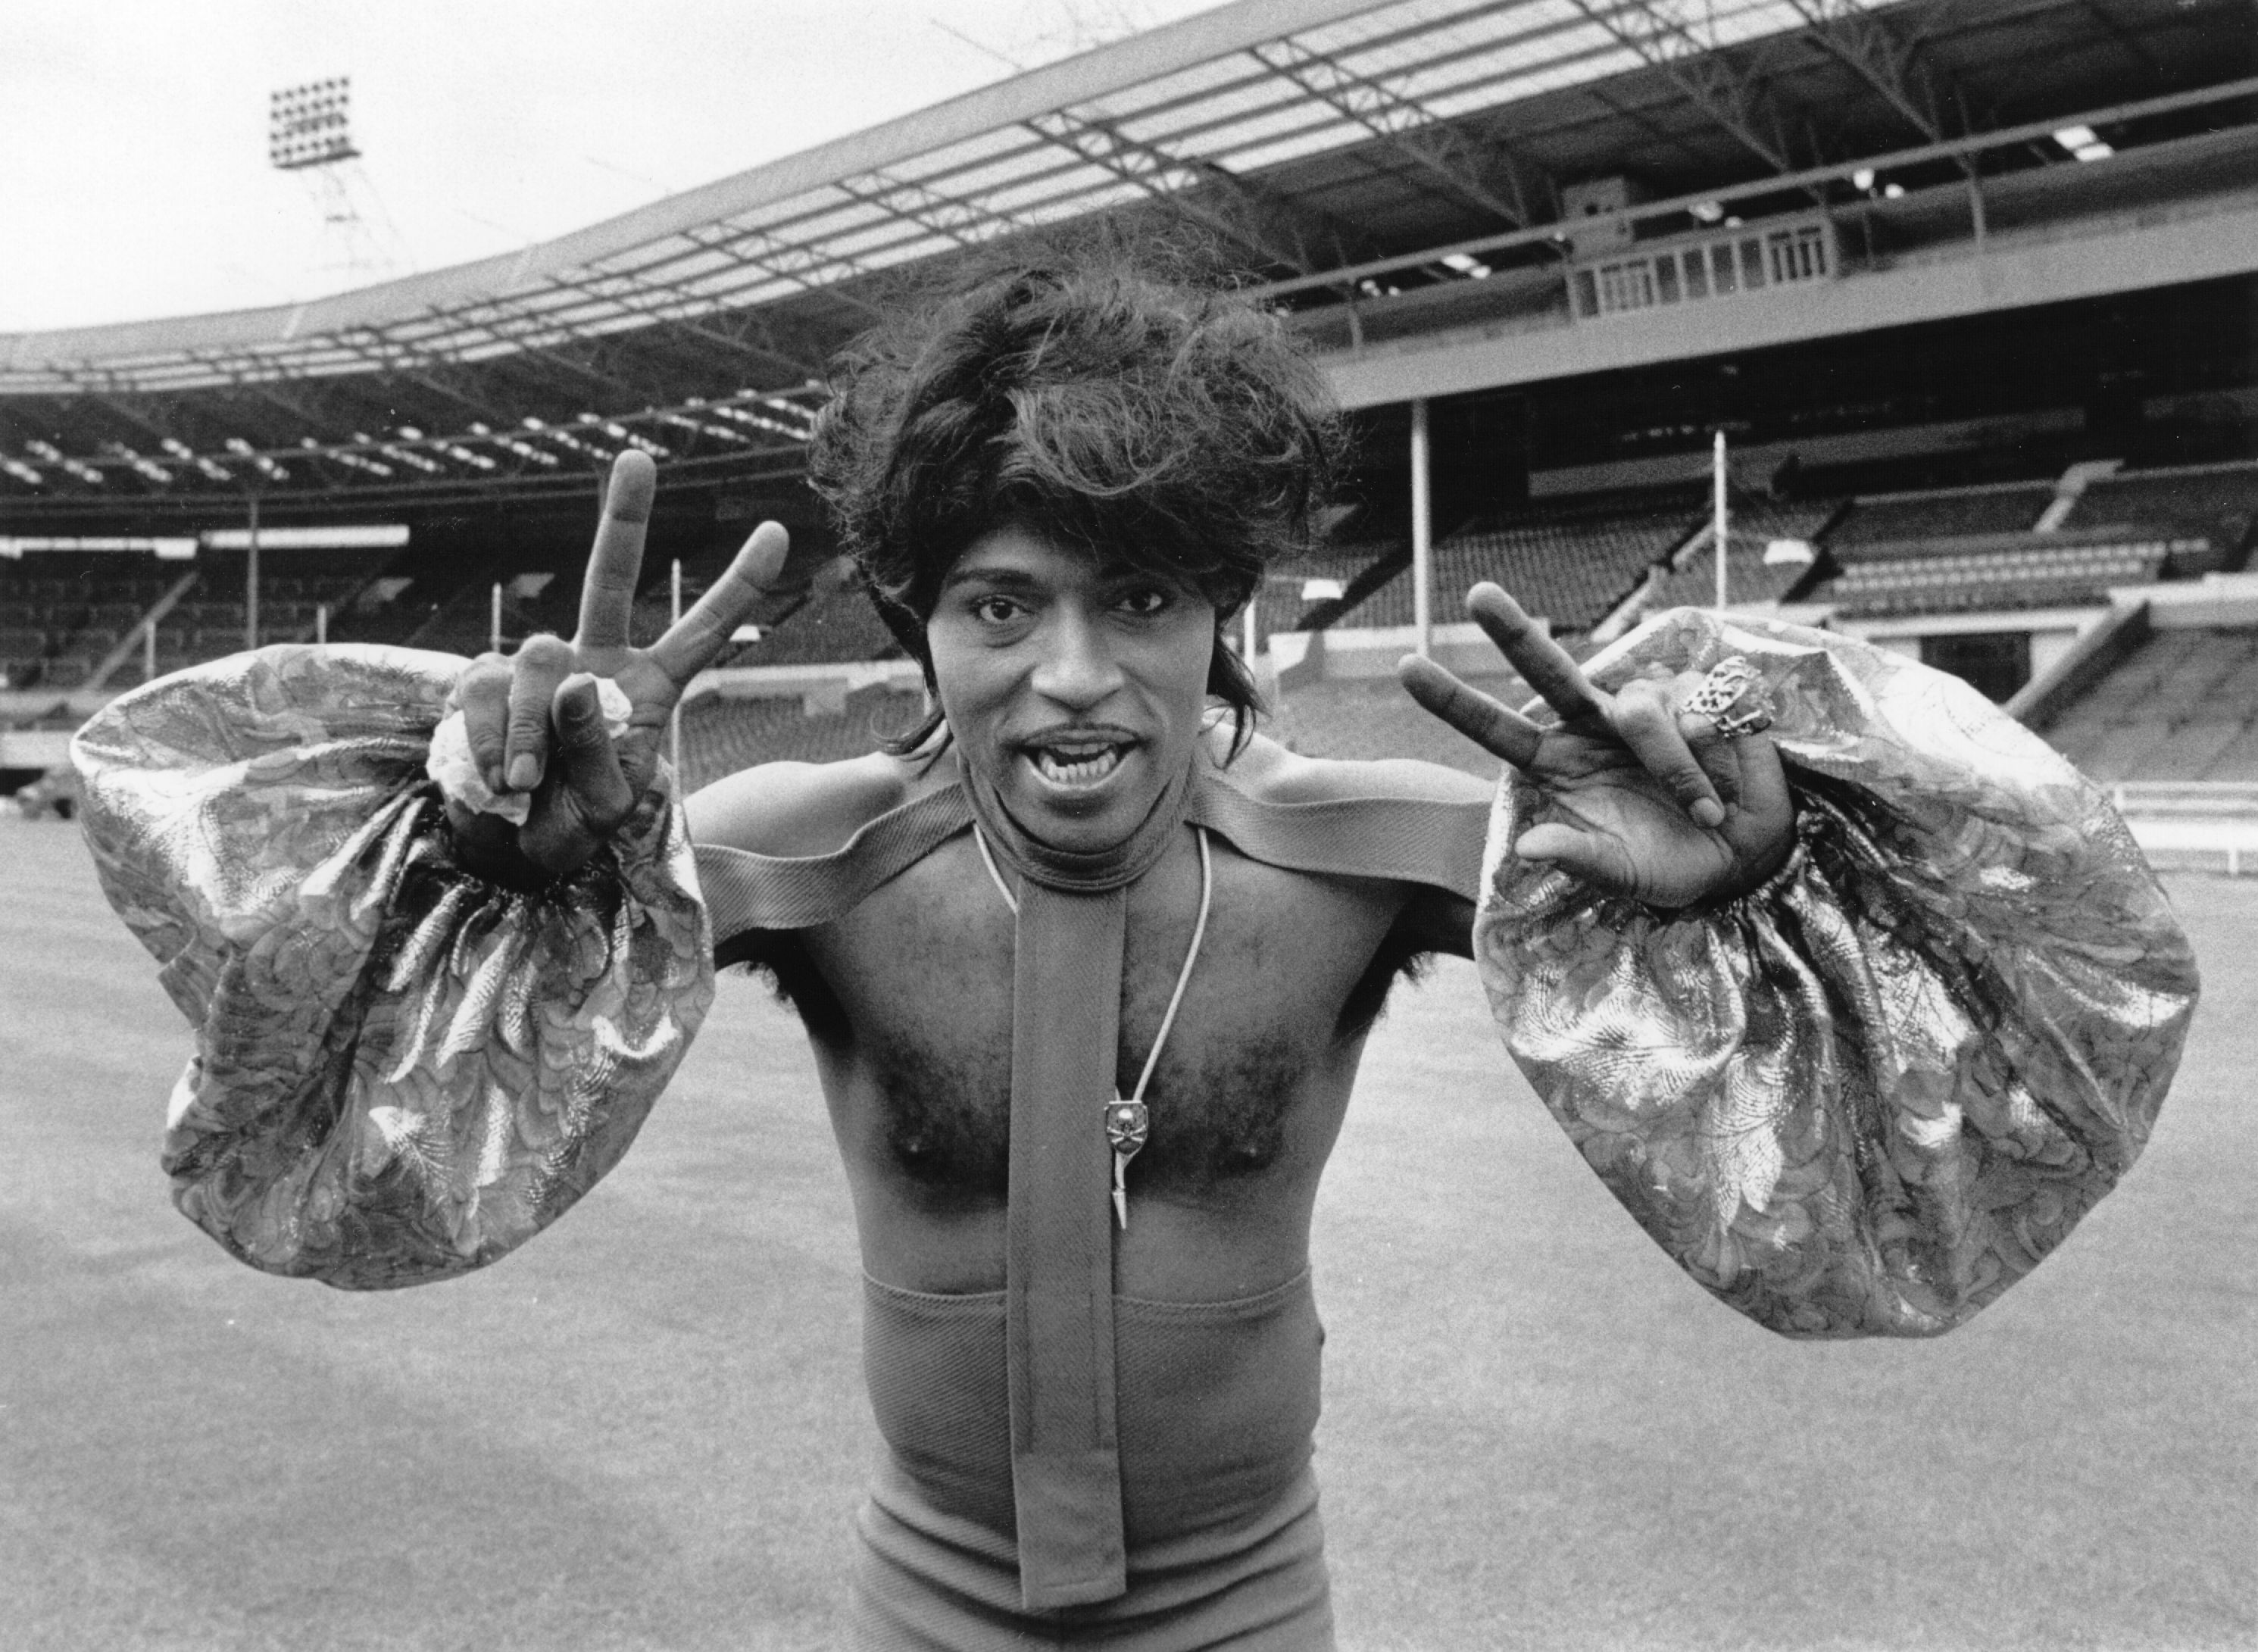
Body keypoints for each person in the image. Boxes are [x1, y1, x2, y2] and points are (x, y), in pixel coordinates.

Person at [74, 261, 2197, 1650]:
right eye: (1003, 606)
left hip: (1250, 1608)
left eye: (1144, 600)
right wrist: (495, 854)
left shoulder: (1367, 860)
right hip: (926, 1604)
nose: (1075, 676)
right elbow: (355, 1089)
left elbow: (1942, 1085)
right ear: (917, 625)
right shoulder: (804, 859)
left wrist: (1751, 885)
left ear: (1226, 623)